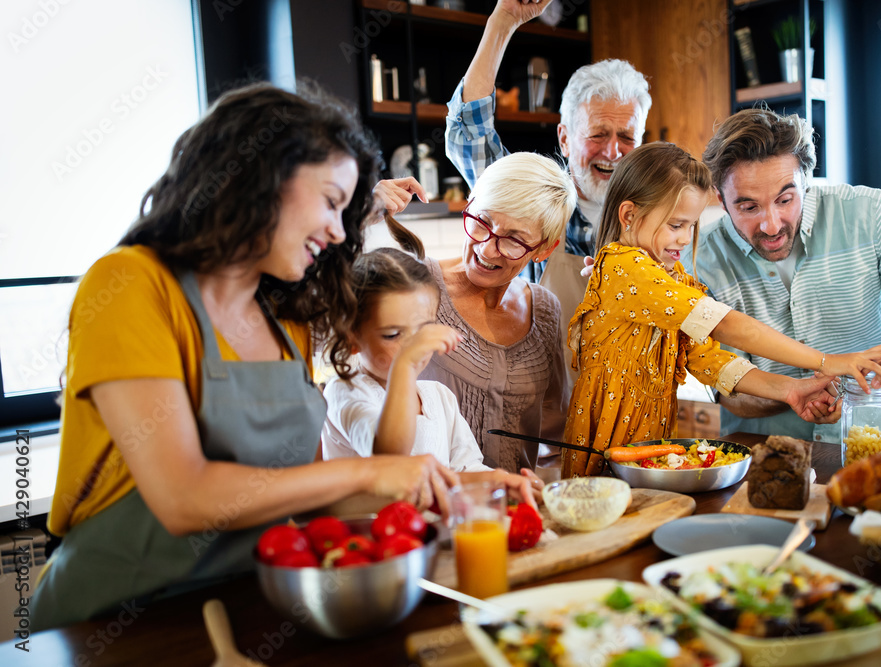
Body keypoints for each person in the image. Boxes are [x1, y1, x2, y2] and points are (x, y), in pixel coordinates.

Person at [30, 83, 458, 631]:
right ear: (262, 177)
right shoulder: (130, 285)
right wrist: (374, 471)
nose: (335, 228)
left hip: (246, 611)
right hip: (112, 626)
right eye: (331, 201)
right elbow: (183, 497)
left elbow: (312, 502)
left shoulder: (287, 320)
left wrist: (456, 488)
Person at [563, 142, 881, 478]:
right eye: (676, 225)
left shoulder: (669, 279)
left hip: (648, 449)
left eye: (691, 226)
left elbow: (714, 363)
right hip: (605, 442)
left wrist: (790, 389)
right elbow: (725, 326)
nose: (684, 238)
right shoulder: (625, 267)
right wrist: (829, 362)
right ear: (629, 215)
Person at [683, 108, 881, 443]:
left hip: (869, 448)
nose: (772, 224)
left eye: (785, 199)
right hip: (766, 460)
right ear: (721, 200)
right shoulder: (699, 260)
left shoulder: (869, 214)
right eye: (749, 207)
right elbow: (726, 386)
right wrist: (793, 392)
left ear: (806, 182)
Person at [445, 0, 651, 351]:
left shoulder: (657, 216)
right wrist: (504, 20)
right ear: (565, 138)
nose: (613, 152)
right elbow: (470, 135)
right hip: (542, 394)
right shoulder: (533, 200)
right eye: (598, 134)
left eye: (627, 137)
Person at [322, 242, 543, 505]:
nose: (414, 345)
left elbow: (462, 472)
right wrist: (404, 365)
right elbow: (389, 461)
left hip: (428, 536)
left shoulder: (439, 397)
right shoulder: (344, 391)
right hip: (372, 538)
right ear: (351, 338)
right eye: (393, 334)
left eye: (423, 329)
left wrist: (503, 484)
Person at [403, 152, 575, 473]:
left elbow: (554, 429)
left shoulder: (545, 310)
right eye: (482, 222)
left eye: (513, 240)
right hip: (426, 509)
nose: (485, 248)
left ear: (544, 249)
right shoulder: (413, 283)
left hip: (514, 510)